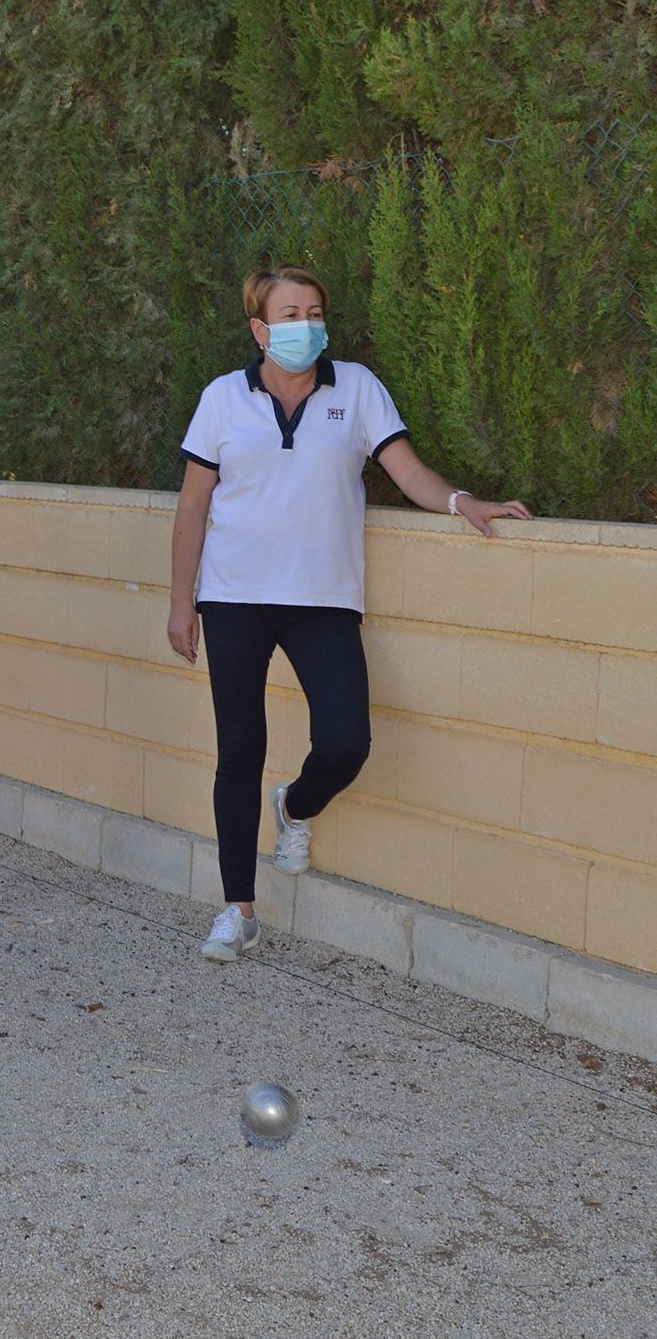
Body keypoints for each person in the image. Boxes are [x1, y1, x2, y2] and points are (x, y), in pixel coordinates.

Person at [170, 265, 531, 962]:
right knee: (239, 748)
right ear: (259, 327)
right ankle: (237, 908)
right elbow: (192, 505)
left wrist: (463, 502)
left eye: (313, 310)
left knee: (346, 741)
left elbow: (408, 469)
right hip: (234, 596)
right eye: (289, 312)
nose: (304, 323)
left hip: (324, 597)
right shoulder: (222, 399)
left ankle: (296, 807)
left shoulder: (357, 388)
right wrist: (180, 603)